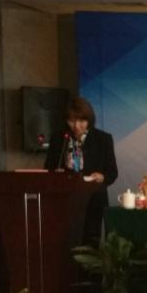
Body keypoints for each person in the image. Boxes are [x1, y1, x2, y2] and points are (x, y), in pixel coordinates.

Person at [44, 96, 118, 239]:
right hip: (64, 200)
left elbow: (112, 172)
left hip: (93, 199)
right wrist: (56, 173)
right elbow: (49, 168)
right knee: (64, 241)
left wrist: (102, 177)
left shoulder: (103, 139)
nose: (76, 126)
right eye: (71, 121)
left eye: (81, 121)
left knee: (90, 241)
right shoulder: (59, 138)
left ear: (89, 119)